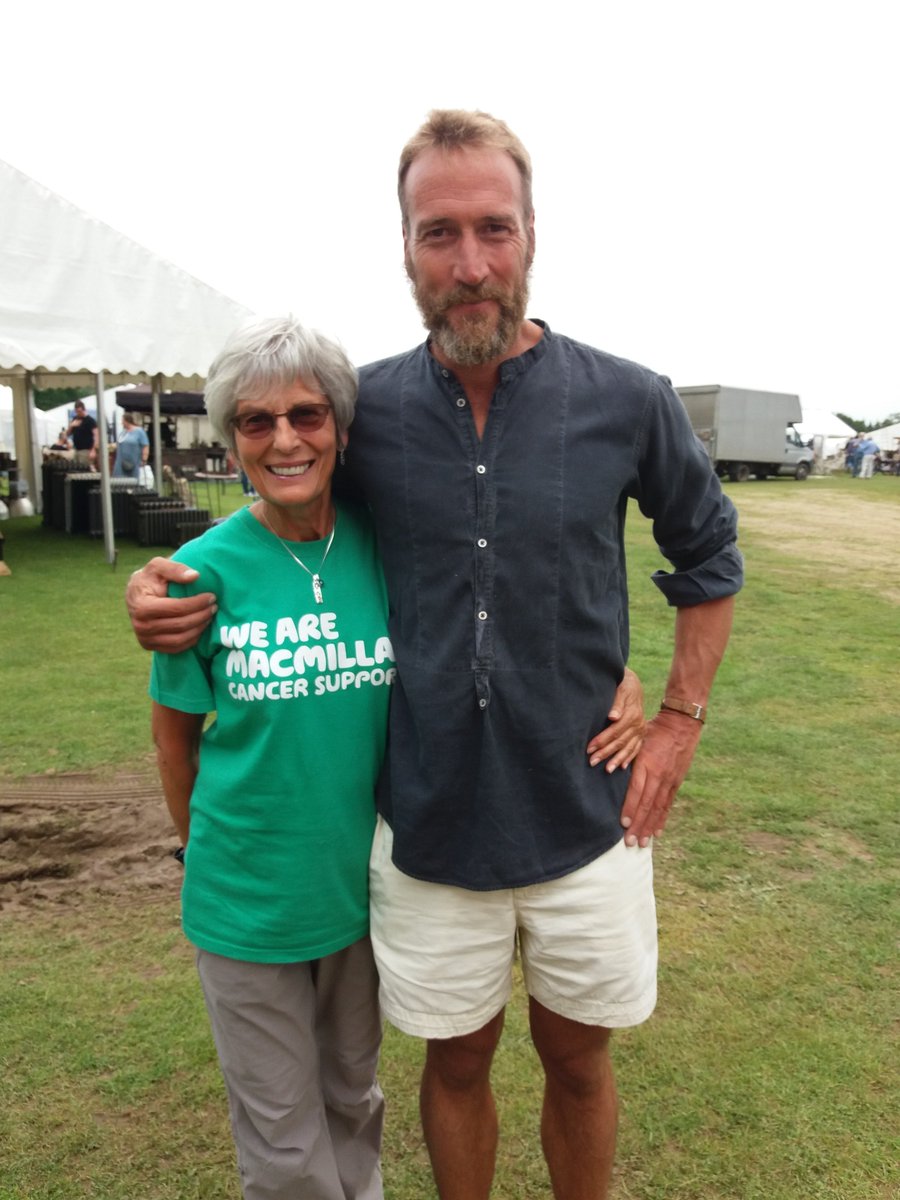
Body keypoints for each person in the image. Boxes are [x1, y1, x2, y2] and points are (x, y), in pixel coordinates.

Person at [127, 109, 741, 1200]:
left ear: (532, 235)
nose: (470, 265)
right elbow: (282, 517)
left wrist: (679, 717)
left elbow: (708, 556)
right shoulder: (369, 413)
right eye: (439, 234)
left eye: (493, 230)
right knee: (454, 1063)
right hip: (428, 823)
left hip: (587, 812)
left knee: (578, 1059)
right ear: (405, 248)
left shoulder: (627, 398)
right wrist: (163, 586)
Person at [151, 317, 397, 1200]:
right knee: (286, 1145)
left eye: (307, 414)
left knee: (352, 1101)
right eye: (257, 422)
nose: (286, 439)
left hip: (360, 894)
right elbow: (173, 741)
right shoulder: (196, 574)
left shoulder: (387, 544)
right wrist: (204, 856)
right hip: (247, 904)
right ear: (231, 441)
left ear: (339, 425)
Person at [112, 411, 150, 479]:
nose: (122, 423)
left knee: (132, 482)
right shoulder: (123, 432)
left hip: (133, 463)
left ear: (127, 421)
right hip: (120, 462)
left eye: (123, 421)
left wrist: (144, 459)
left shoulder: (139, 431)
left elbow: (145, 446)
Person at [66, 399, 98, 466]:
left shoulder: (90, 421)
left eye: (79, 411)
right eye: (76, 411)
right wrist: (71, 426)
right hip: (76, 449)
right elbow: (67, 434)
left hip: (86, 450)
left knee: (84, 468)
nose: (78, 413)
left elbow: (96, 436)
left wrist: (93, 450)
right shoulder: (75, 419)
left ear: (83, 409)